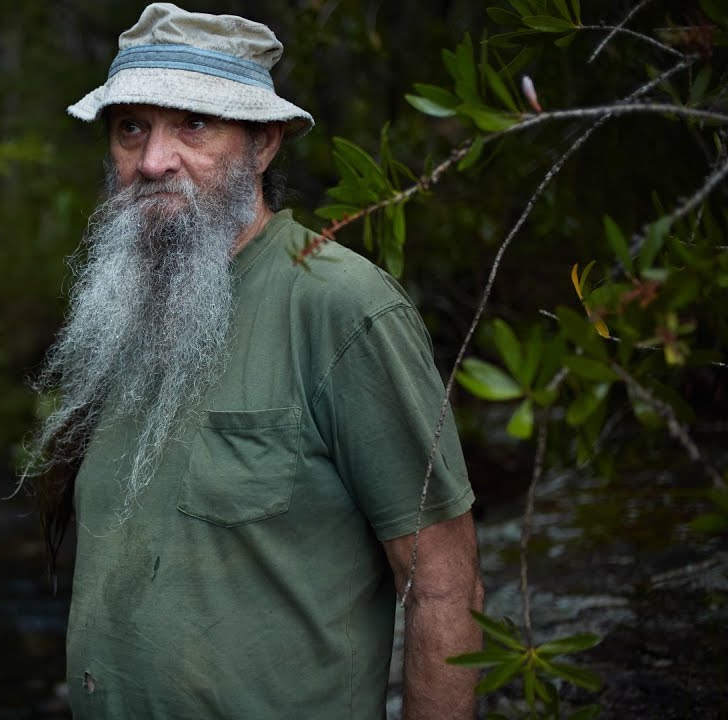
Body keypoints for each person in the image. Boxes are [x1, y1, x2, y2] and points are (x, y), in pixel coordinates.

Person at [25, 4, 484, 718]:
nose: (153, 160)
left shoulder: (342, 307)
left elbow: (445, 589)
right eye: (131, 128)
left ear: (263, 143)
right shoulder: (122, 306)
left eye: (193, 125)